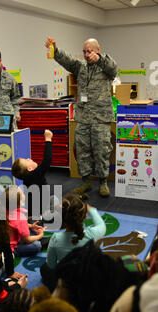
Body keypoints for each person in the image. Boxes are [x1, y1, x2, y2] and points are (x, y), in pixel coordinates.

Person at [45, 38, 117, 197]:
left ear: (97, 49)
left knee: (102, 150)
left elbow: (114, 69)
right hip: (83, 117)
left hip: (101, 117)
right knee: (82, 150)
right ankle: (85, 182)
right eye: (84, 51)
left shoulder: (105, 67)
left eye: (89, 51)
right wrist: (55, 50)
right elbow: (67, 60)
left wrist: (101, 59)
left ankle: (103, 182)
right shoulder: (81, 67)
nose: (86, 54)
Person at [40, 193, 106, 291]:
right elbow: (102, 225)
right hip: (86, 279)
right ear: (85, 216)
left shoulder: (56, 238)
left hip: (66, 282)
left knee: (44, 268)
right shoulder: (91, 234)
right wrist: (91, 209)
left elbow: (51, 265)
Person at [12, 129, 53, 221]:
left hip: (34, 210)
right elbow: (47, 160)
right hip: (40, 215)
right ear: (29, 169)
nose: (28, 158)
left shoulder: (27, 177)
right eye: (27, 160)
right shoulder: (35, 174)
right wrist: (48, 139)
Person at [2, 185, 48, 257]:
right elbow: (27, 240)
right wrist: (40, 235)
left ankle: (37, 236)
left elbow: (14, 224)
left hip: (9, 238)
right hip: (13, 248)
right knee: (37, 245)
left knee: (34, 221)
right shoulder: (20, 218)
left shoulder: (3, 209)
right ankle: (40, 239)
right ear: (20, 202)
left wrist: (30, 226)